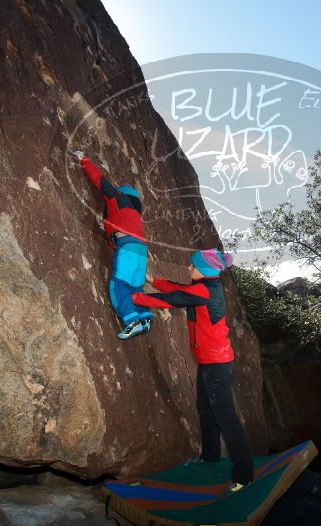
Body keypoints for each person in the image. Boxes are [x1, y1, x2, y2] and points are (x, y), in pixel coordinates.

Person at [131, 249, 254, 492]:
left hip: (217, 364)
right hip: (210, 361)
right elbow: (177, 289)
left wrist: (135, 298)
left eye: (192, 266)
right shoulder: (206, 285)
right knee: (206, 410)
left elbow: (170, 300)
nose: (188, 269)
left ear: (204, 270)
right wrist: (152, 279)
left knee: (225, 418)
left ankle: (244, 475)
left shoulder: (204, 290)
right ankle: (210, 456)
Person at [73, 150, 152, 340]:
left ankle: (131, 321)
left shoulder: (117, 198)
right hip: (142, 251)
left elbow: (100, 181)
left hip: (127, 247)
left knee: (119, 285)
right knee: (136, 287)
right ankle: (145, 318)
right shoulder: (135, 215)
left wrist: (84, 159)